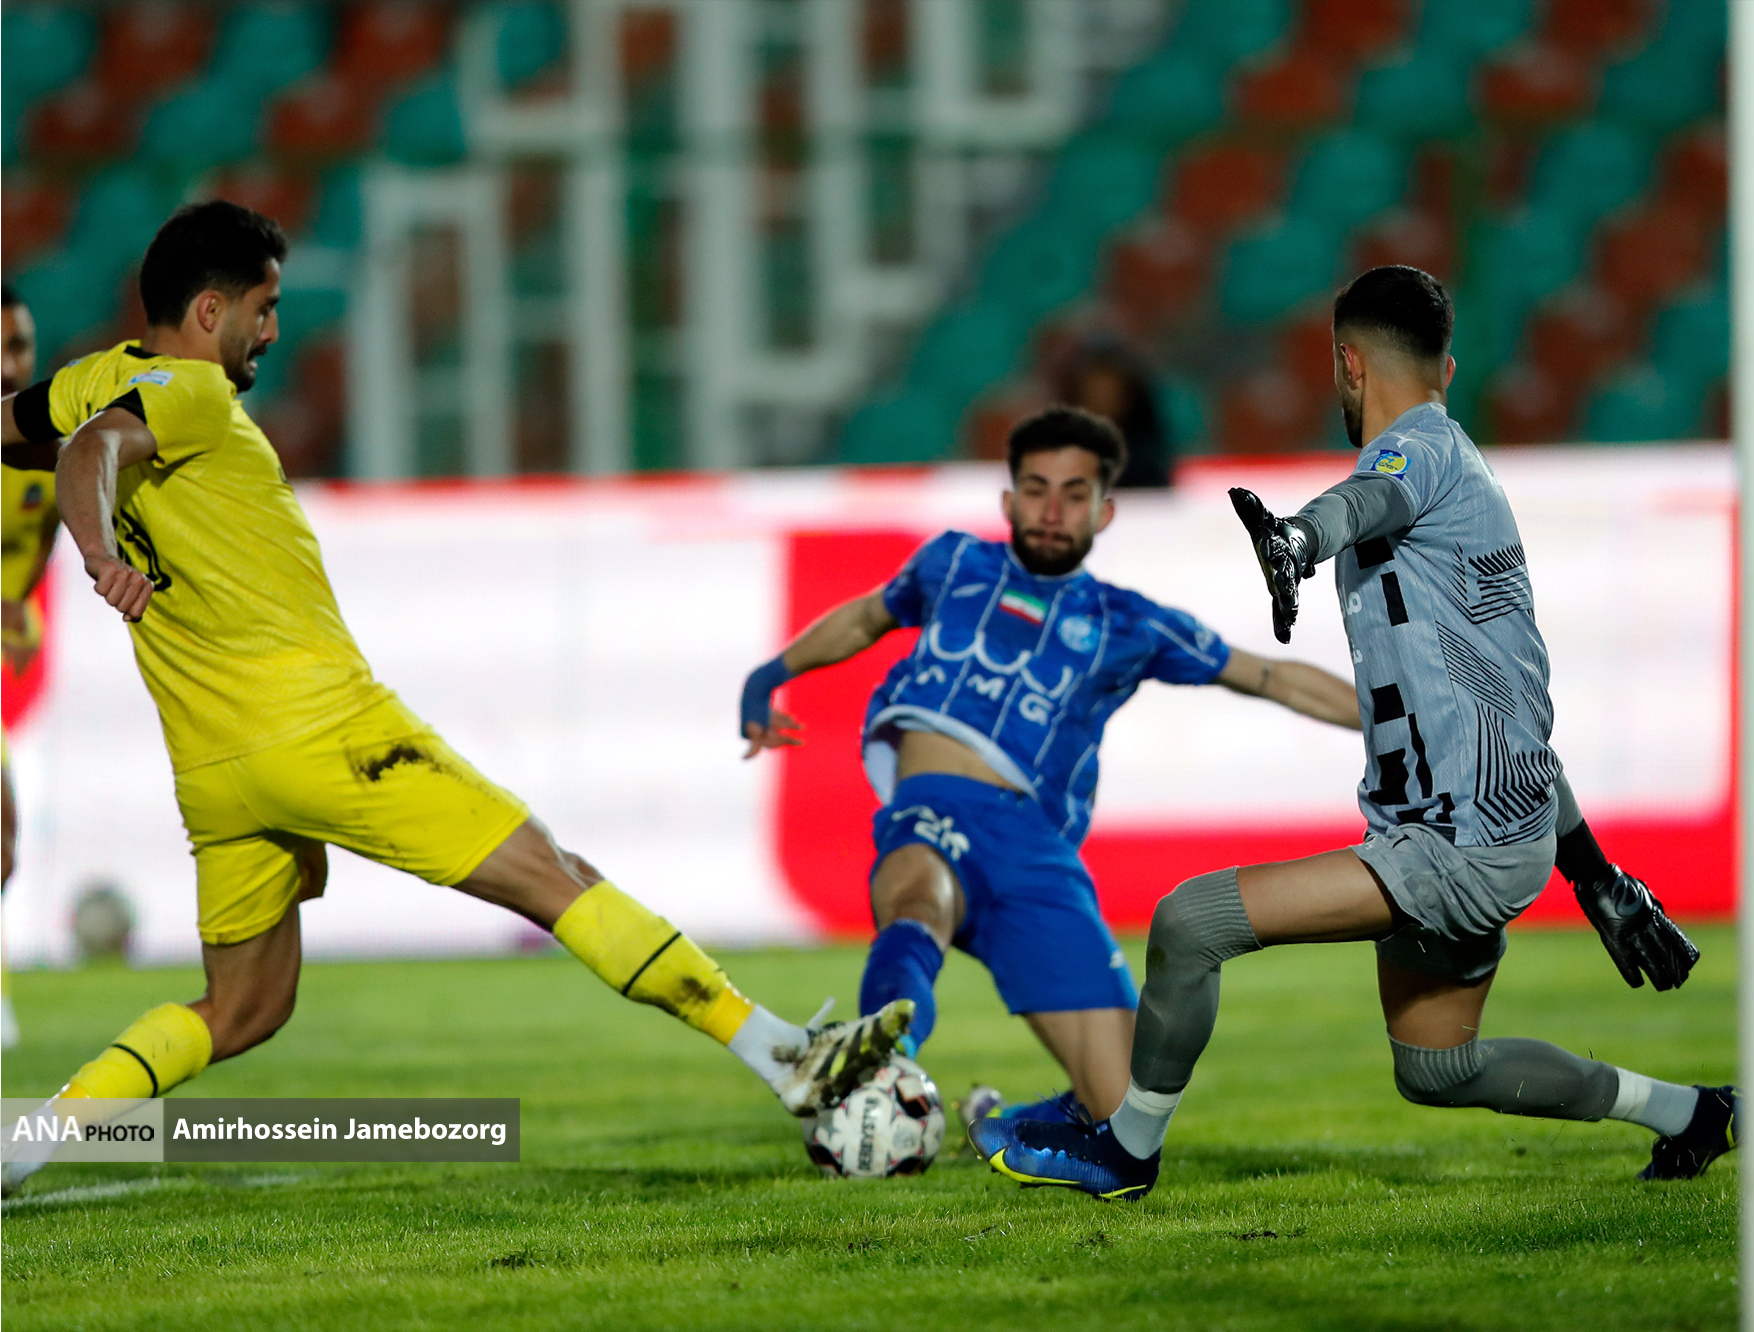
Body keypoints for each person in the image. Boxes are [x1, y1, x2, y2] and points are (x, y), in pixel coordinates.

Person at [0, 202, 909, 1196]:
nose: (273, 330)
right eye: (263, 308)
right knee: (556, 876)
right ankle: (783, 1053)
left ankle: (24, 1145)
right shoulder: (192, 394)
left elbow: (29, 433)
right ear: (210, 311)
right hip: (329, 731)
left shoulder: (93, 377)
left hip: (216, 768)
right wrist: (98, 554)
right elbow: (90, 453)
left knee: (245, 1009)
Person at [967, 266, 1721, 1200]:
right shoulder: (1464, 484)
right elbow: (1510, 710)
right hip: (1494, 829)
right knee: (1438, 1066)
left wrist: (1295, 541)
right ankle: (1694, 1114)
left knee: (1189, 923)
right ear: (1447, 367)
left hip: (1452, 845)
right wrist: (1595, 873)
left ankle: (1124, 1149)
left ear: (1348, 365)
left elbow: (1365, 501)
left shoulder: (1417, 454)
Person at [740, 406, 1361, 1122]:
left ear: (1105, 512)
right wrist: (770, 675)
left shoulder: (1130, 623)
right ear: (1009, 502)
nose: (1052, 510)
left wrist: (1392, 720)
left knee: (1126, 1118)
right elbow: (864, 617)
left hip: (1035, 851)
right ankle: (882, 1062)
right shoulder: (953, 563)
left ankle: (991, 1120)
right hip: (933, 805)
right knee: (918, 899)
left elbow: (1269, 676)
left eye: (1074, 493)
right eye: (1036, 490)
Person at [1, 282, 53, 1049]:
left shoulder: (46, 459)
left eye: (18, 346)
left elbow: (30, 559)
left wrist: (19, 609)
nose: (9, 363)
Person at [1053, 335, 1173, 490]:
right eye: (1095, 392)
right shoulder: (1057, 449)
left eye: (1110, 391)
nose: (1103, 400)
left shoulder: (1147, 456)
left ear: (1128, 395)